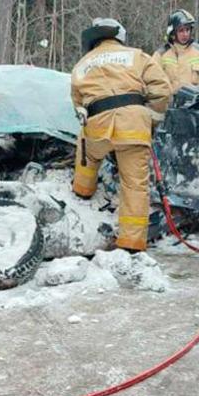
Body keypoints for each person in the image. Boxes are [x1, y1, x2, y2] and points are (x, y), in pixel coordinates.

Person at [70, 18, 172, 253]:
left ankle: (83, 189)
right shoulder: (137, 56)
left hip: (97, 127)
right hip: (133, 127)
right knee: (135, 185)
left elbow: (78, 106)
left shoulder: (81, 64)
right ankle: (131, 242)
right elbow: (162, 89)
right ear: (119, 37)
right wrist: (153, 118)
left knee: (85, 146)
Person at [156, 10, 199, 93]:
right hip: (170, 104)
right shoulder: (161, 55)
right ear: (173, 33)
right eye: (181, 30)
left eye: (187, 30)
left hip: (196, 103)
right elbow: (152, 81)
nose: (185, 34)